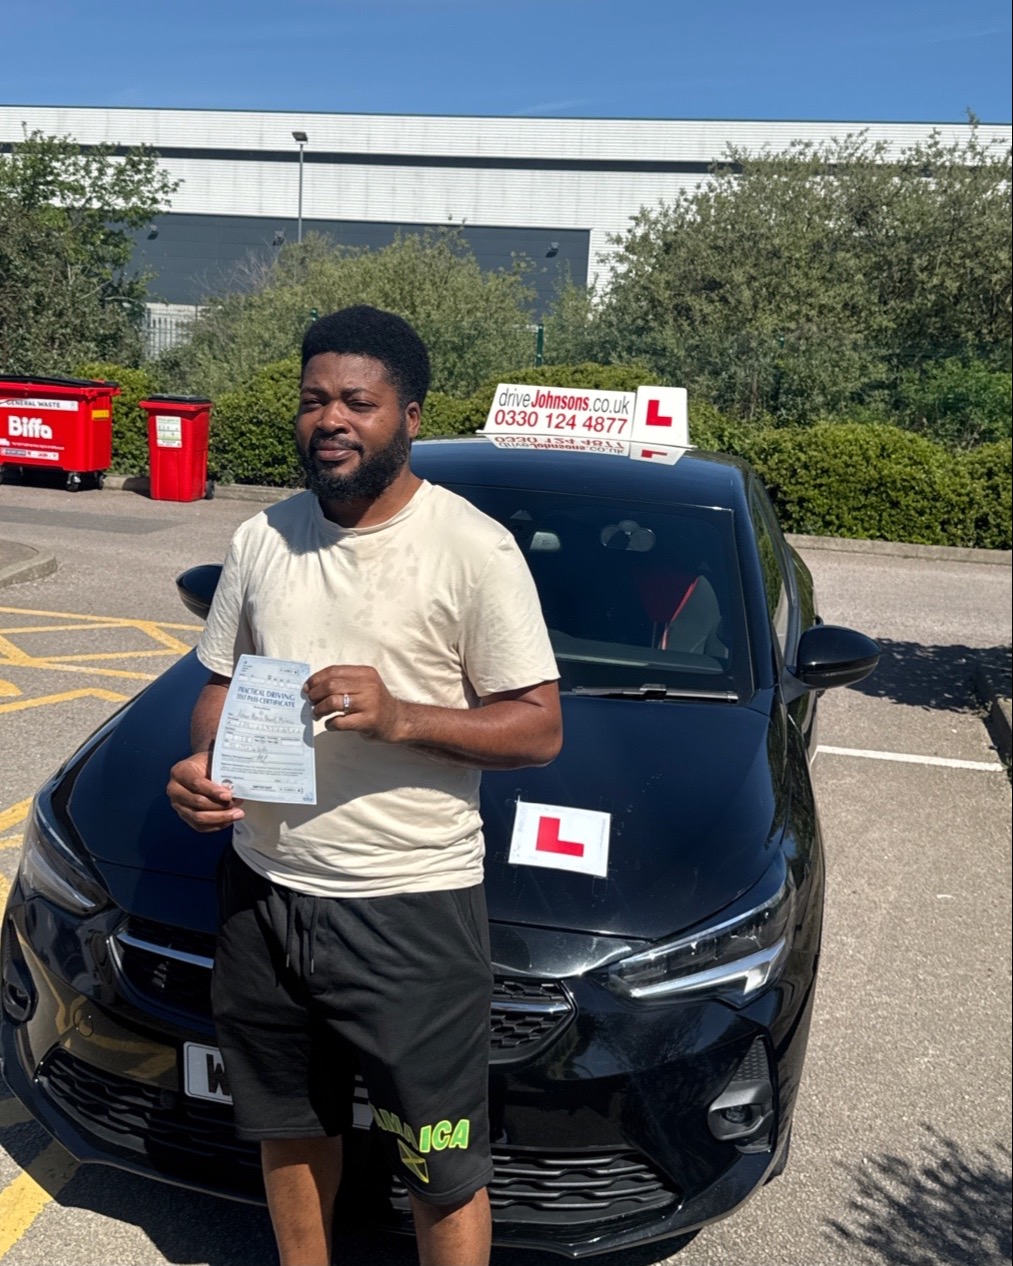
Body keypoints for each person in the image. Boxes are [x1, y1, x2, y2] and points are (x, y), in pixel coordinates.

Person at [166, 305, 562, 1266]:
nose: (330, 420)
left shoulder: (472, 548)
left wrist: (402, 717)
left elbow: (538, 727)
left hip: (408, 906)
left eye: (358, 401)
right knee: (289, 1128)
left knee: (439, 1163)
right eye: (314, 400)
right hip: (263, 892)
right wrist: (205, 765)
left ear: (408, 417)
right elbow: (220, 683)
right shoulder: (262, 537)